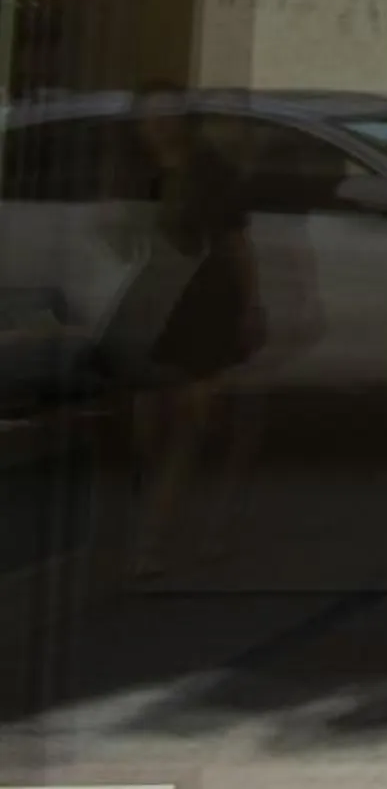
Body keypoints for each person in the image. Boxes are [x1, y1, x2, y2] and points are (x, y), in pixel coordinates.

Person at [115, 88, 266, 579]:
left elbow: (236, 244)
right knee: (149, 427)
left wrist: (249, 306)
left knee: (188, 424)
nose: (158, 124)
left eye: (167, 114)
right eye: (149, 115)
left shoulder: (211, 173)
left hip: (205, 306)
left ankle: (154, 541)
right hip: (153, 303)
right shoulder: (136, 172)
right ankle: (177, 518)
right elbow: (127, 240)